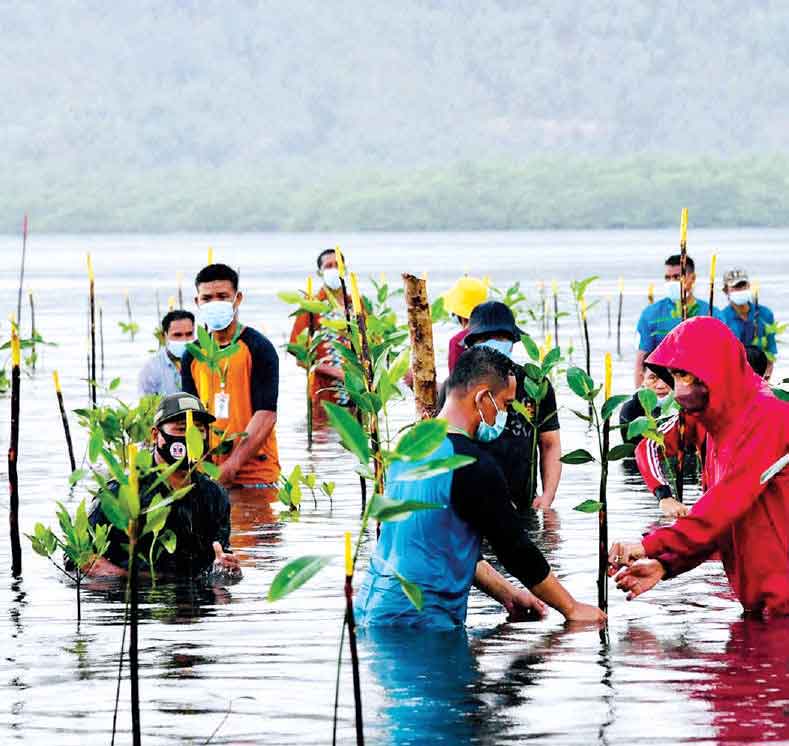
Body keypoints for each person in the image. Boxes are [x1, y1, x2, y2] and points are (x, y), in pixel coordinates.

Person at [356, 346, 605, 629]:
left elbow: (441, 545)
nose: (506, 414)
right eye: (506, 404)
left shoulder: (410, 446)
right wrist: (572, 609)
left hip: (371, 612)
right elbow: (515, 550)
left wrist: (509, 595)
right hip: (421, 623)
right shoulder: (470, 463)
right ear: (483, 397)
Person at [609, 317, 789, 617]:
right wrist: (666, 565)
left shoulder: (768, 418)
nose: (679, 389)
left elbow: (722, 507)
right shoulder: (714, 427)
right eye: (675, 376)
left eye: (687, 376)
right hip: (761, 607)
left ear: (716, 371)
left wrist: (650, 544)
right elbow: (724, 525)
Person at [85, 393, 240, 578]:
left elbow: (220, 555)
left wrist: (226, 568)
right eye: (181, 429)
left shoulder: (214, 495)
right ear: (155, 435)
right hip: (134, 596)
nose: (191, 438)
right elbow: (80, 559)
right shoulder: (121, 491)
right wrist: (127, 578)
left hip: (193, 599)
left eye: (198, 431)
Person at [634, 343, 769, 519]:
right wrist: (664, 495)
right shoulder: (697, 414)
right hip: (715, 518)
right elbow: (648, 446)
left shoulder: (774, 415)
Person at [181, 263, 281, 491]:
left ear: (237, 299)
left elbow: (266, 414)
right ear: (197, 302)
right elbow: (191, 417)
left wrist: (233, 463)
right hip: (208, 473)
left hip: (255, 474)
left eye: (222, 296)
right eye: (207, 298)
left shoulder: (258, 347)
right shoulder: (192, 355)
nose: (214, 302)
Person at [464, 301, 561, 511]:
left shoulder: (535, 383)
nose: (492, 343)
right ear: (473, 344)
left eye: (500, 337)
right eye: (484, 338)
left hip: (524, 502)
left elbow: (550, 443)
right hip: (472, 506)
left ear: (512, 341)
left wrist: (547, 496)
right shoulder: (460, 385)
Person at [634, 254, 718, 387]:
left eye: (677, 277)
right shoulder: (650, 314)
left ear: (692, 278)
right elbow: (641, 362)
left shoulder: (711, 313)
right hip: (662, 387)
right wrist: (639, 399)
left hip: (699, 386)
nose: (672, 282)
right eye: (668, 278)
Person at [288, 248, 352, 406]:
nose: (334, 269)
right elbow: (301, 359)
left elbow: (371, 345)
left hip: (357, 393)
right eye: (328, 266)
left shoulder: (357, 304)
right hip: (324, 393)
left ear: (345, 269)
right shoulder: (311, 307)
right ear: (320, 272)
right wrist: (336, 373)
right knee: (323, 427)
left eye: (337, 265)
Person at [720, 267, 777, 380]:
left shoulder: (765, 314)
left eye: (743, 286)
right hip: (733, 375)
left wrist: (766, 376)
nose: (740, 290)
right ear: (726, 291)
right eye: (735, 287)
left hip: (760, 374)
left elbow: (770, 349)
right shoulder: (722, 318)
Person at [138, 310, 195, 396]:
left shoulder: (203, 360)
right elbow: (146, 405)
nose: (184, 340)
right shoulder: (152, 368)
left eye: (189, 334)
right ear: (165, 336)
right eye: (177, 335)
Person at [441, 276, 489, 373]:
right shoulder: (501, 335)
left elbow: (454, 386)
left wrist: (414, 381)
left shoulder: (458, 341)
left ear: (458, 313)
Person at [618, 368, 672, 445]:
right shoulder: (631, 407)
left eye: (668, 377)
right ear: (642, 378)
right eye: (653, 378)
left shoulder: (684, 404)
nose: (661, 386)